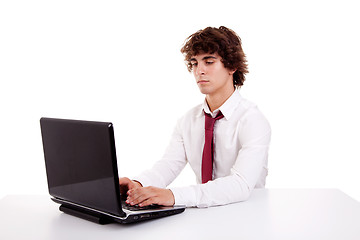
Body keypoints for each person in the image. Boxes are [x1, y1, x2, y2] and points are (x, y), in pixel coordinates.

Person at [119, 26, 271, 208]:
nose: (199, 71)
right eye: (194, 63)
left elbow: (241, 184)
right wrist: (138, 184)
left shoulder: (253, 120)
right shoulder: (188, 121)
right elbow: (169, 165)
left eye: (208, 62)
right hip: (203, 217)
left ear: (232, 66)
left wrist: (173, 196)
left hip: (247, 216)